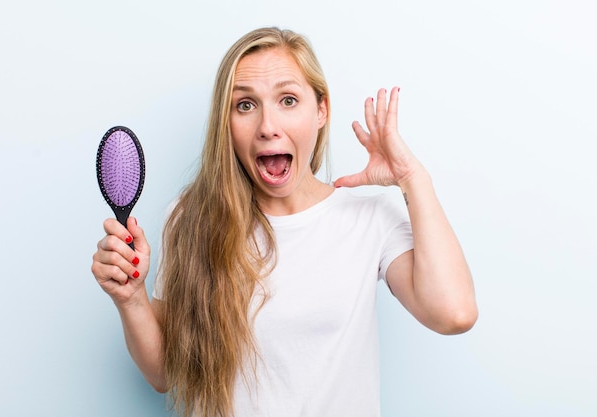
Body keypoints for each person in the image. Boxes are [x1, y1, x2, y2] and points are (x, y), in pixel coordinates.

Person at [91, 27, 478, 417]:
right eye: (245, 105)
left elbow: (454, 314)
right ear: (225, 122)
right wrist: (132, 298)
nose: (267, 126)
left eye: (288, 100)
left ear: (321, 110)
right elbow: (166, 375)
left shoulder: (369, 220)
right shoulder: (190, 219)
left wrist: (412, 177)